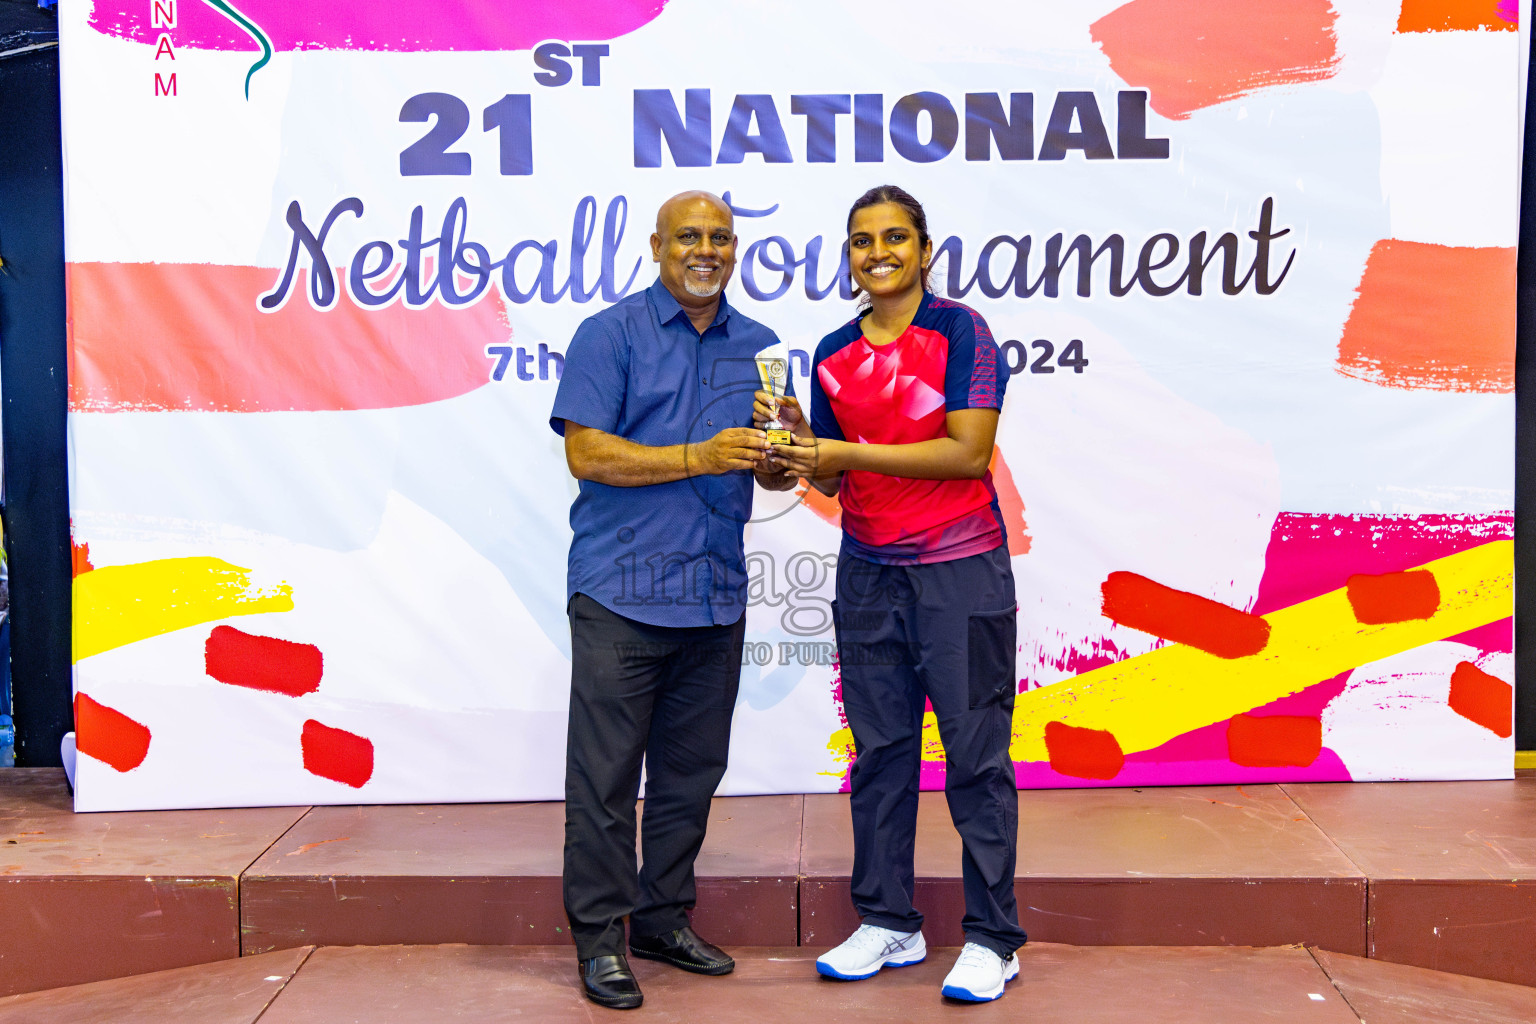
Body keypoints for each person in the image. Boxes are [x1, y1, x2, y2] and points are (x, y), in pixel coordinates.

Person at [758, 185, 1027, 1003]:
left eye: (895, 238)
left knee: (976, 759)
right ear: (849, 255)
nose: (878, 252)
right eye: (862, 240)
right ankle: (888, 921)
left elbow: (968, 454)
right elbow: (836, 478)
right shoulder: (835, 349)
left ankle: (993, 939)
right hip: (869, 572)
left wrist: (844, 446)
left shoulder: (960, 330)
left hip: (962, 572)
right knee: (880, 755)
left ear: (923, 249)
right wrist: (799, 447)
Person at [551, 190, 796, 1010]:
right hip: (620, 593)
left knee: (691, 778)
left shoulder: (758, 346)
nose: (706, 250)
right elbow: (587, 454)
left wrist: (775, 458)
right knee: (605, 781)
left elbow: (760, 467)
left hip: (714, 596)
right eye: (688, 236)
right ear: (657, 246)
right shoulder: (609, 334)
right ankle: (599, 940)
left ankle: (661, 918)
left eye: (720, 238)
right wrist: (699, 454)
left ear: (735, 250)